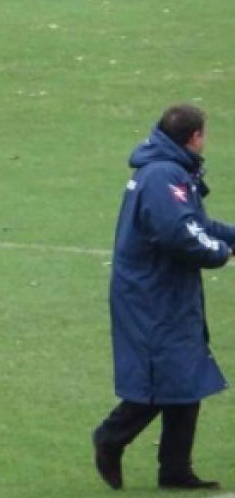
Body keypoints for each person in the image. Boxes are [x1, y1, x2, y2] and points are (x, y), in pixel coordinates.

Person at [91, 104, 231, 490]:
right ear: (195, 136)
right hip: (151, 294)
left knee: (186, 376)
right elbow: (180, 233)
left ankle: (175, 470)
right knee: (163, 378)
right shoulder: (163, 176)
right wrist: (221, 253)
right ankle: (110, 437)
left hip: (165, 289)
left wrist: (230, 237)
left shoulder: (168, 169)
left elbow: (198, 223)